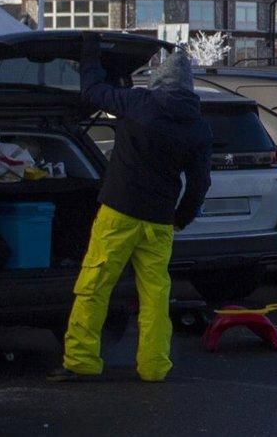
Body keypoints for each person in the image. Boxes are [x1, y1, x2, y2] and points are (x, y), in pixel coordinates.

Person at [54, 34, 212, 383]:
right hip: (159, 221)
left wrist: (90, 52)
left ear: (158, 80)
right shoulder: (198, 127)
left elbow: (92, 92)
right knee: (155, 295)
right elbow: (200, 183)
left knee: (95, 285)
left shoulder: (139, 104)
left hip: (119, 212)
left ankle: (82, 360)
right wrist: (180, 219)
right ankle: (154, 367)